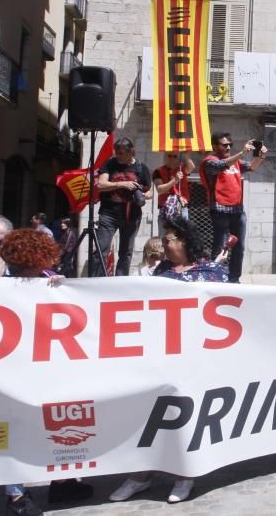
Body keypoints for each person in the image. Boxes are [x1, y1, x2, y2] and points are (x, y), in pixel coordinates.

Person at [0, 217, 93, 514]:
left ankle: (61, 482)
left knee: (55, 425)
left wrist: (61, 290)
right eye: (37, 263)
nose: (41, 268)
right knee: (15, 428)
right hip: (10, 371)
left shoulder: (45, 280)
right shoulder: (0, 281)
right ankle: (15, 495)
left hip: (44, 369)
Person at [110, 216, 226, 505]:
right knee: (149, 418)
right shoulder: (161, 273)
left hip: (197, 360)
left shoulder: (211, 272)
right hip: (161, 359)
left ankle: (184, 475)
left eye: (170, 239)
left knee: (185, 417)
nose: (165, 244)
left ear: (185, 241)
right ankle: (140, 477)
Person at [200, 132, 267, 282]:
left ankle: (234, 278)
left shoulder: (236, 162)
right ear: (215, 146)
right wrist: (242, 153)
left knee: (239, 247)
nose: (228, 147)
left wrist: (261, 157)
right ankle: (217, 277)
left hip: (237, 210)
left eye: (230, 144)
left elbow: (251, 167)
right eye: (224, 145)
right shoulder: (209, 162)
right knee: (221, 246)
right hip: (220, 209)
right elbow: (222, 165)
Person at [93, 137, 152, 276]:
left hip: (131, 215)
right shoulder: (109, 164)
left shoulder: (141, 168)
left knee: (126, 252)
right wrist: (121, 184)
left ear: (131, 152)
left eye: (121, 153)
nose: (118, 156)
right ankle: (96, 281)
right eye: (117, 152)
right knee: (102, 249)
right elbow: (100, 185)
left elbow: (149, 191)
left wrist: (144, 196)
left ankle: (120, 282)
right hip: (109, 214)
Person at [153, 151, 194, 235]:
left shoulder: (181, 169)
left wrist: (185, 152)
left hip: (181, 208)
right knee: (164, 237)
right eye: (169, 156)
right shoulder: (158, 171)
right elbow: (159, 189)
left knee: (182, 237)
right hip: (165, 208)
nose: (172, 158)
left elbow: (191, 167)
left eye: (175, 156)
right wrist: (174, 180)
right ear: (165, 156)